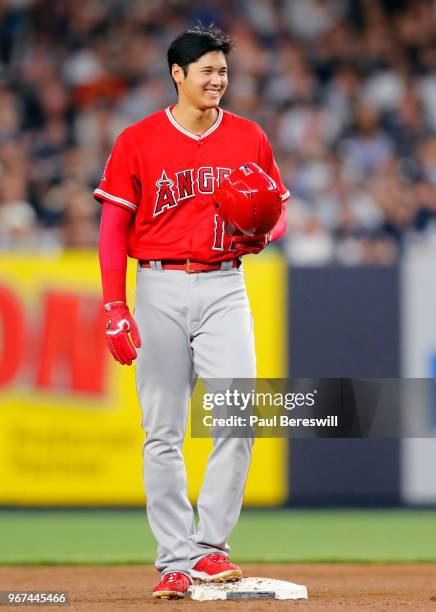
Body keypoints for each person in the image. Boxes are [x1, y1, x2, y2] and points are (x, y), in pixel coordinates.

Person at [95, 24, 290, 600]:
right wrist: (114, 304)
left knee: (237, 415)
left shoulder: (249, 136)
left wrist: (264, 234)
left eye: (223, 71)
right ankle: (173, 560)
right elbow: (113, 227)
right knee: (163, 431)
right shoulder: (138, 139)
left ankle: (210, 550)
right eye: (206, 70)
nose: (217, 80)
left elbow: (275, 210)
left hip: (225, 285)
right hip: (158, 287)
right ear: (177, 74)